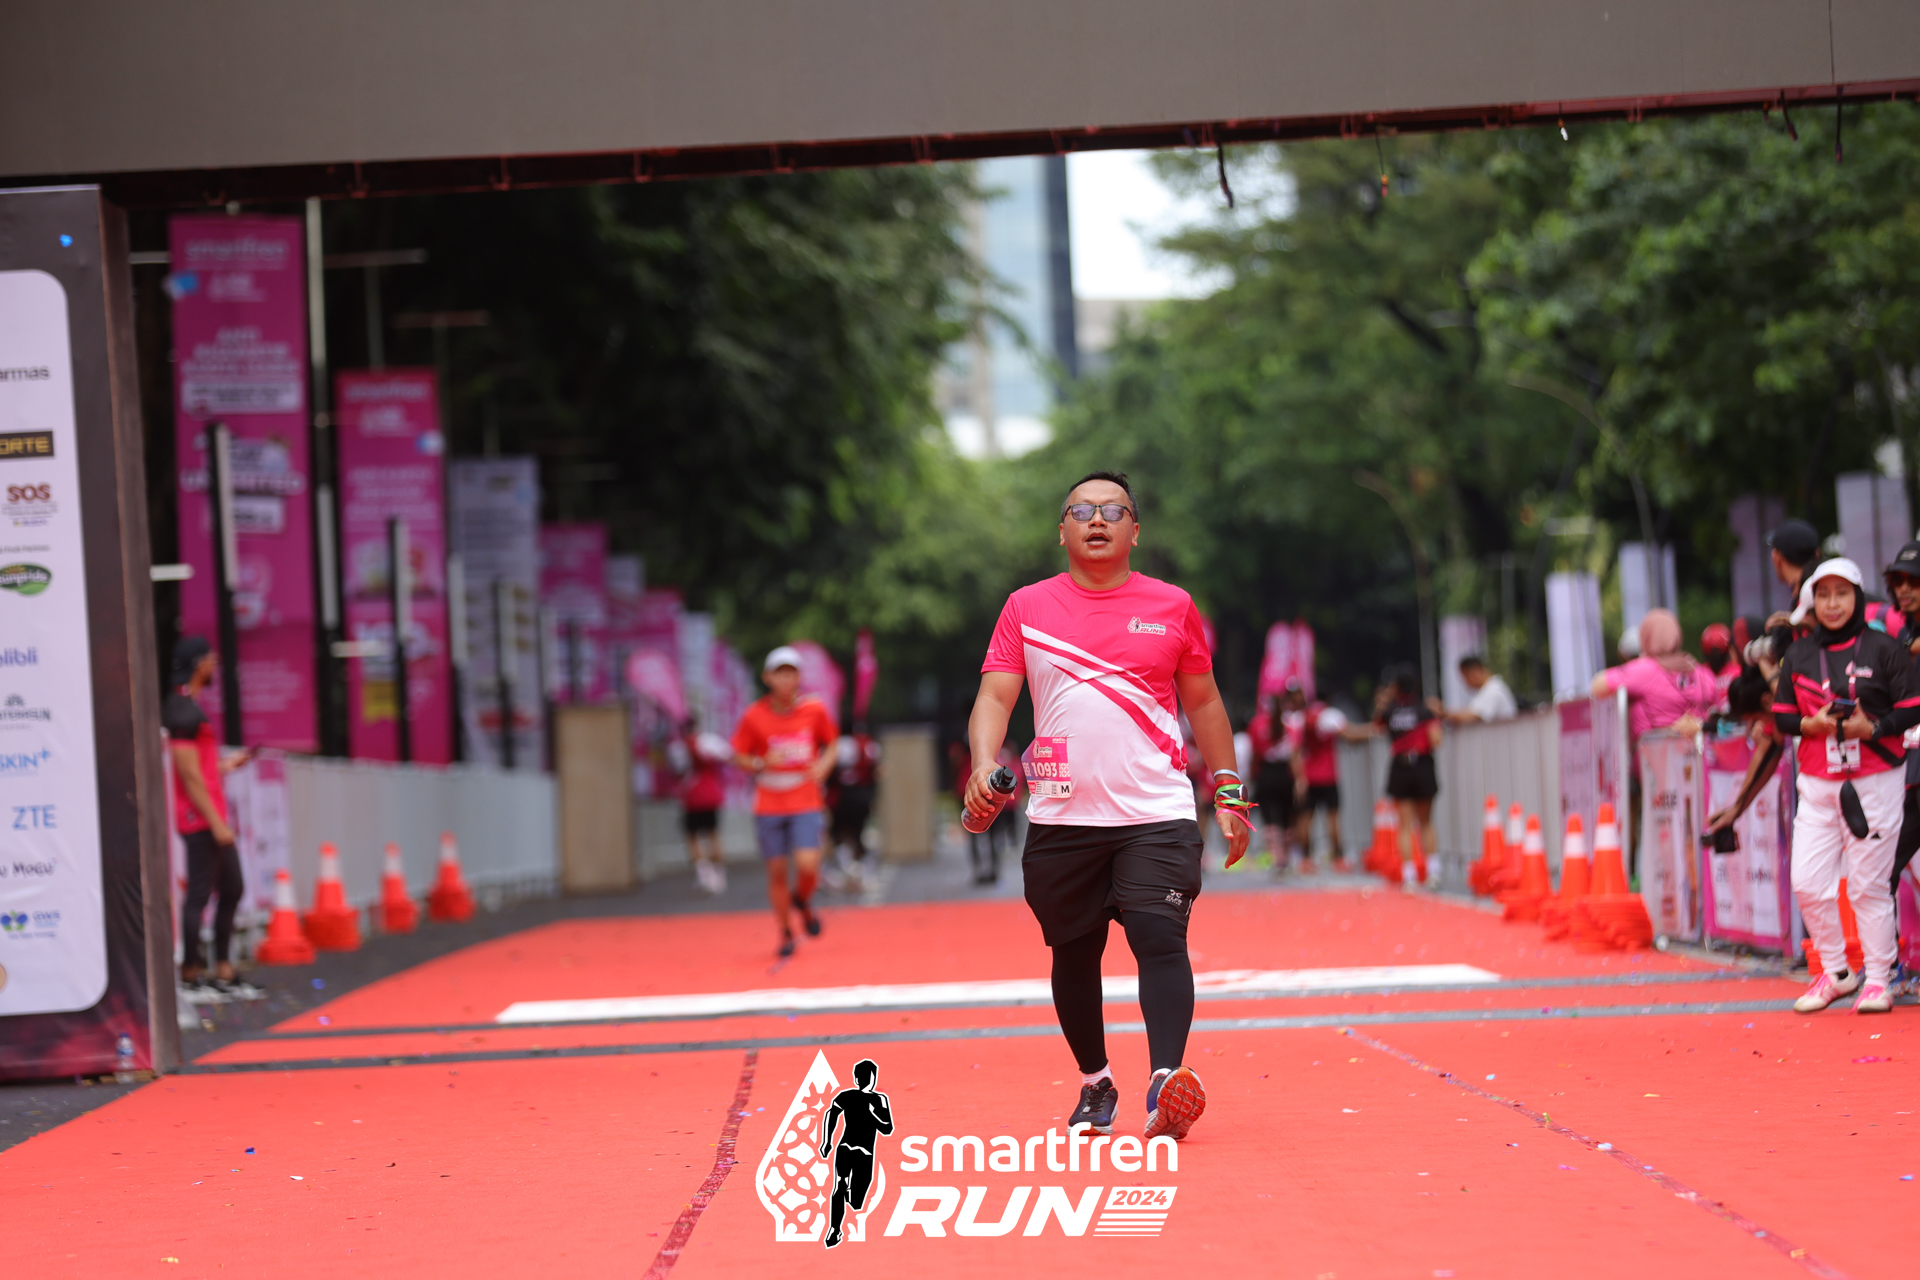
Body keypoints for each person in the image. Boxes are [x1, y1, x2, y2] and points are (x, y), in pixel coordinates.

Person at [964, 471, 1250, 1145]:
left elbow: (1204, 702)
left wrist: (1230, 790)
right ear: (1061, 530)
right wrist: (982, 762)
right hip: (1063, 816)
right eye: (1082, 511)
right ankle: (1096, 1083)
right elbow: (996, 696)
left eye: (1113, 511)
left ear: (1135, 531)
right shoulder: (1026, 607)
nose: (1097, 520)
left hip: (1157, 810)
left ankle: (1165, 1081)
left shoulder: (1172, 605)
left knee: (1159, 936)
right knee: (1074, 952)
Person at [1771, 558, 1920, 1014]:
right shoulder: (1798, 654)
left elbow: (1913, 707)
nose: (1832, 604)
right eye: (1823, 594)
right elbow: (1782, 718)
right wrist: (1811, 724)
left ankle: (1878, 979)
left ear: (1857, 595)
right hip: (1817, 783)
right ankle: (1836, 971)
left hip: (1876, 779)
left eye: (1841, 593)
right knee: (1807, 882)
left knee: (1867, 886)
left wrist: (1872, 729)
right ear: (1812, 601)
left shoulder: (1885, 648)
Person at [164, 636, 260, 999]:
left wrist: (224, 765)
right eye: (210, 658)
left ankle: (223, 970)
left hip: (208, 814)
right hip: (200, 818)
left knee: (232, 888)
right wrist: (217, 823)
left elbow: (198, 769)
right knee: (200, 896)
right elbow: (188, 776)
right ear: (198, 664)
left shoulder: (188, 707)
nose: (214, 664)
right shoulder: (181, 709)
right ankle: (191, 974)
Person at [732, 645, 839, 957]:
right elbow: (739, 755)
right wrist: (760, 762)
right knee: (777, 870)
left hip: (805, 798)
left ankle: (802, 900)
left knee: (808, 865)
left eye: (791, 673)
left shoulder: (814, 710)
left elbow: (832, 742)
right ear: (767, 678)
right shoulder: (754, 715)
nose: (785, 679)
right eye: (779, 673)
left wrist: (824, 765)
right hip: (769, 802)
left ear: (799, 678)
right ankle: (785, 932)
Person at [1352, 664, 1441, 883]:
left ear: (1396, 687)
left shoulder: (1390, 711)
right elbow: (1436, 739)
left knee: (1404, 824)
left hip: (1400, 767)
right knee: (1426, 822)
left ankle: (1409, 874)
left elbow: (1376, 724)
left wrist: (1383, 701)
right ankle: (1433, 872)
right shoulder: (1424, 710)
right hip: (1422, 764)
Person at [1588, 608, 1721, 743]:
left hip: (1654, 753)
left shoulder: (1645, 669)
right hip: (1698, 754)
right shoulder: (1702, 673)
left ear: (1646, 637)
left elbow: (1597, 684)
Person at [816, 1058, 893, 1249]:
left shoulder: (879, 1099)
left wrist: (871, 1115)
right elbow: (831, 1114)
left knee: (856, 1201)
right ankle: (834, 1229)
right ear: (858, 1078)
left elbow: (887, 1128)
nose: (868, 1080)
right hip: (848, 1148)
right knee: (840, 1184)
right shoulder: (847, 1096)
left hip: (862, 1153)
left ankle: (849, 1198)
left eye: (870, 1076)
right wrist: (827, 1141)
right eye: (865, 1076)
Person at [1882, 540, 1920, 893]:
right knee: (1883, 874)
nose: (1904, 588)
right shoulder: (1907, 632)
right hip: (1909, 773)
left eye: (1914, 581)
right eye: (1898, 580)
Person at [1291, 694, 1349, 870]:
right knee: (1333, 819)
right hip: (1329, 776)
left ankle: (1306, 859)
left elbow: (1295, 750)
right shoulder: (1330, 715)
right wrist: (1371, 729)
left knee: (1305, 820)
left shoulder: (1302, 718)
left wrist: (1299, 778)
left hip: (1309, 777)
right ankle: (1338, 858)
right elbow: (1348, 734)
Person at [1248, 688, 1298, 869]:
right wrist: (1299, 779)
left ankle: (1275, 856)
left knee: (1269, 816)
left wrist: (1252, 774)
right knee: (1286, 816)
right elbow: (1295, 753)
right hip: (1285, 773)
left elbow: (1254, 753)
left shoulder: (1256, 724)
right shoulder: (1289, 725)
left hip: (1265, 773)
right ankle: (1286, 857)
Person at [676, 719, 729, 895]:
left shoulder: (679, 747)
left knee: (693, 837)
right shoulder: (710, 741)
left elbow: (677, 771)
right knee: (713, 834)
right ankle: (719, 875)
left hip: (693, 796)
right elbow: (728, 756)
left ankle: (705, 876)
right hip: (711, 793)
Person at [826, 724, 881, 890]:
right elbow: (876, 771)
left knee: (838, 833)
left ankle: (848, 870)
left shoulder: (839, 746)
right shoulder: (869, 744)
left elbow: (830, 771)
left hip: (842, 796)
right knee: (858, 834)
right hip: (862, 794)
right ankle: (862, 873)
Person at [1446, 654, 1517, 724]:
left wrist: (1444, 713)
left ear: (1475, 671)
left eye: (1465, 676)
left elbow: (1471, 717)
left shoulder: (1493, 691)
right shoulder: (1489, 688)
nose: (1465, 682)